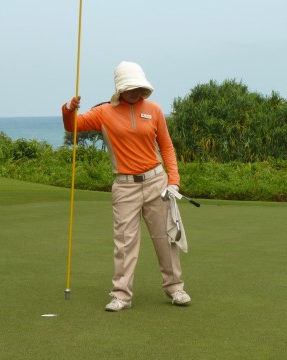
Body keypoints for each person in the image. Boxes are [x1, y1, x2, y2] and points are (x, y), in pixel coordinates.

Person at [61, 61, 191, 311]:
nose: (136, 92)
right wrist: (69, 108)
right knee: (124, 242)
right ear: (120, 89)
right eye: (131, 88)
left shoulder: (154, 110)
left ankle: (175, 288)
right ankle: (121, 294)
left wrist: (173, 180)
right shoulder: (103, 112)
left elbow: (166, 146)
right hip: (124, 186)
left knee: (165, 237)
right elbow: (73, 126)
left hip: (156, 182)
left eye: (140, 88)